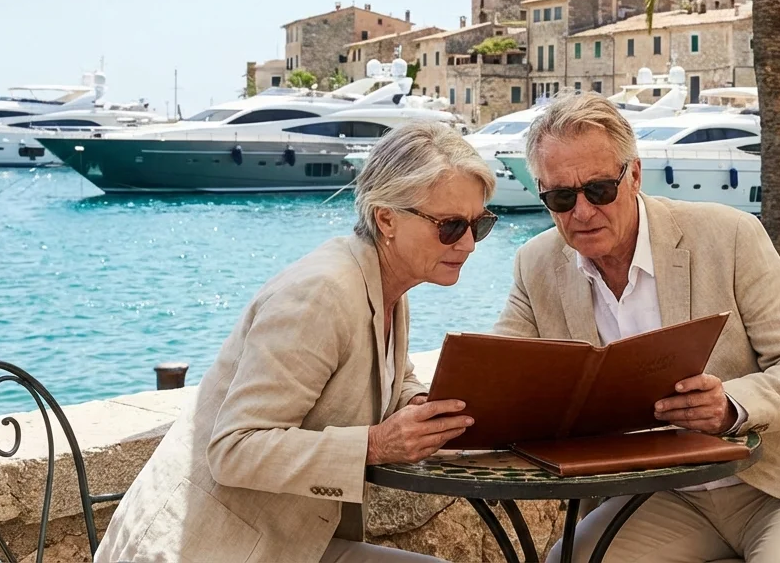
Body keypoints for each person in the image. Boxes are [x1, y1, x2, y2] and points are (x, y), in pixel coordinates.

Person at [495, 93, 780, 563]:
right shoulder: (536, 264)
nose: (582, 212)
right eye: (561, 196)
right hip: (663, 495)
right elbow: (499, 373)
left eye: (598, 190)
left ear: (633, 175)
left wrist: (732, 405)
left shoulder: (729, 235)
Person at [96, 123, 494, 563]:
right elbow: (234, 449)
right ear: (386, 219)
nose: (470, 244)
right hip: (201, 549)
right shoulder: (321, 294)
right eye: (451, 226)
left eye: (480, 224)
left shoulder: (386, 284)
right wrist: (375, 445)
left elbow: (384, 374)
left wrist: (419, 404)